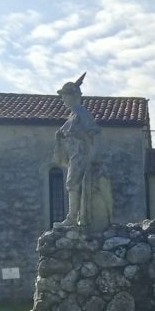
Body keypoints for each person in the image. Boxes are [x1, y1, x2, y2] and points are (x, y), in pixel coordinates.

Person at [54, 72, 101, 227]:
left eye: (65, 96)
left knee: (73, 182)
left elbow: (93, 130)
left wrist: (75, 133)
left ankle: (72, 217)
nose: (63, 100)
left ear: (72, 96)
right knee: (73, 183)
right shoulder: (73, 115)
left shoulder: (81, 112)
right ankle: (75, 216)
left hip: (81, 153)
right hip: (75, 153)